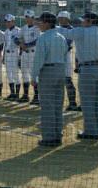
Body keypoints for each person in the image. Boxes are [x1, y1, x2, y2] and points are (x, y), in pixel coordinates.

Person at [66, 12, 98, 140]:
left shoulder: (81, 31)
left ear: (90, 21)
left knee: (87, 101)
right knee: (97, 101)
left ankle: (90, 131)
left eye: (84, 20)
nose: (82, 22)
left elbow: (66, 33)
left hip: (86, 69)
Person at [31, 12, 67, 147]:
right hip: (60, 70)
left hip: (48, 71)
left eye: (40, 22)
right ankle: (57, 134)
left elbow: (39, 59)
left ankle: (49, 137)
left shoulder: (43, 38)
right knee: (58, 105)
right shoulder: (61, 37)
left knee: (47, 106)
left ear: (47, 23)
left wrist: (34, 75)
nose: (39, 24)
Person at [56, 11, 80, 111]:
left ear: (67, 19)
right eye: (59, 18)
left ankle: (72, 103)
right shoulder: (56, 28)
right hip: (56, 57)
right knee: (57, 81)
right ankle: (58, 103)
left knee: (67, 80)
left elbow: (68, 43)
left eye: (62, 18)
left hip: (67, 56)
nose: (60, 20)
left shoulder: (72, 30)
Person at [20, 10, 41, 105]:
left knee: (34, 75)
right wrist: (20, 43)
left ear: (33, 18)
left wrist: (26, 45)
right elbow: (17, 38)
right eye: (26, 17)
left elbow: (37, 41)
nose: (27, 19)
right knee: (24, 74)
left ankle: (36, 96)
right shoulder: (23, 28)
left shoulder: (37, 28)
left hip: (33, 54)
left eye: (29, 17)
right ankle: (25, 95)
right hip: (24, 54)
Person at [3, 14, 22, 101]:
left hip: (15, 53)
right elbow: (5, 44)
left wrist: (20, 57)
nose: (7, 23)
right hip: (7, 54)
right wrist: (4, 56)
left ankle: (17, 94)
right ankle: (12, 93)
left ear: (13, 21)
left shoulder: (18, 30)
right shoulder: (6, 31)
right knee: (9, 75)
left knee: (15, 75)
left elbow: (21, 44)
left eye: (9, 21)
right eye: (6, 22)